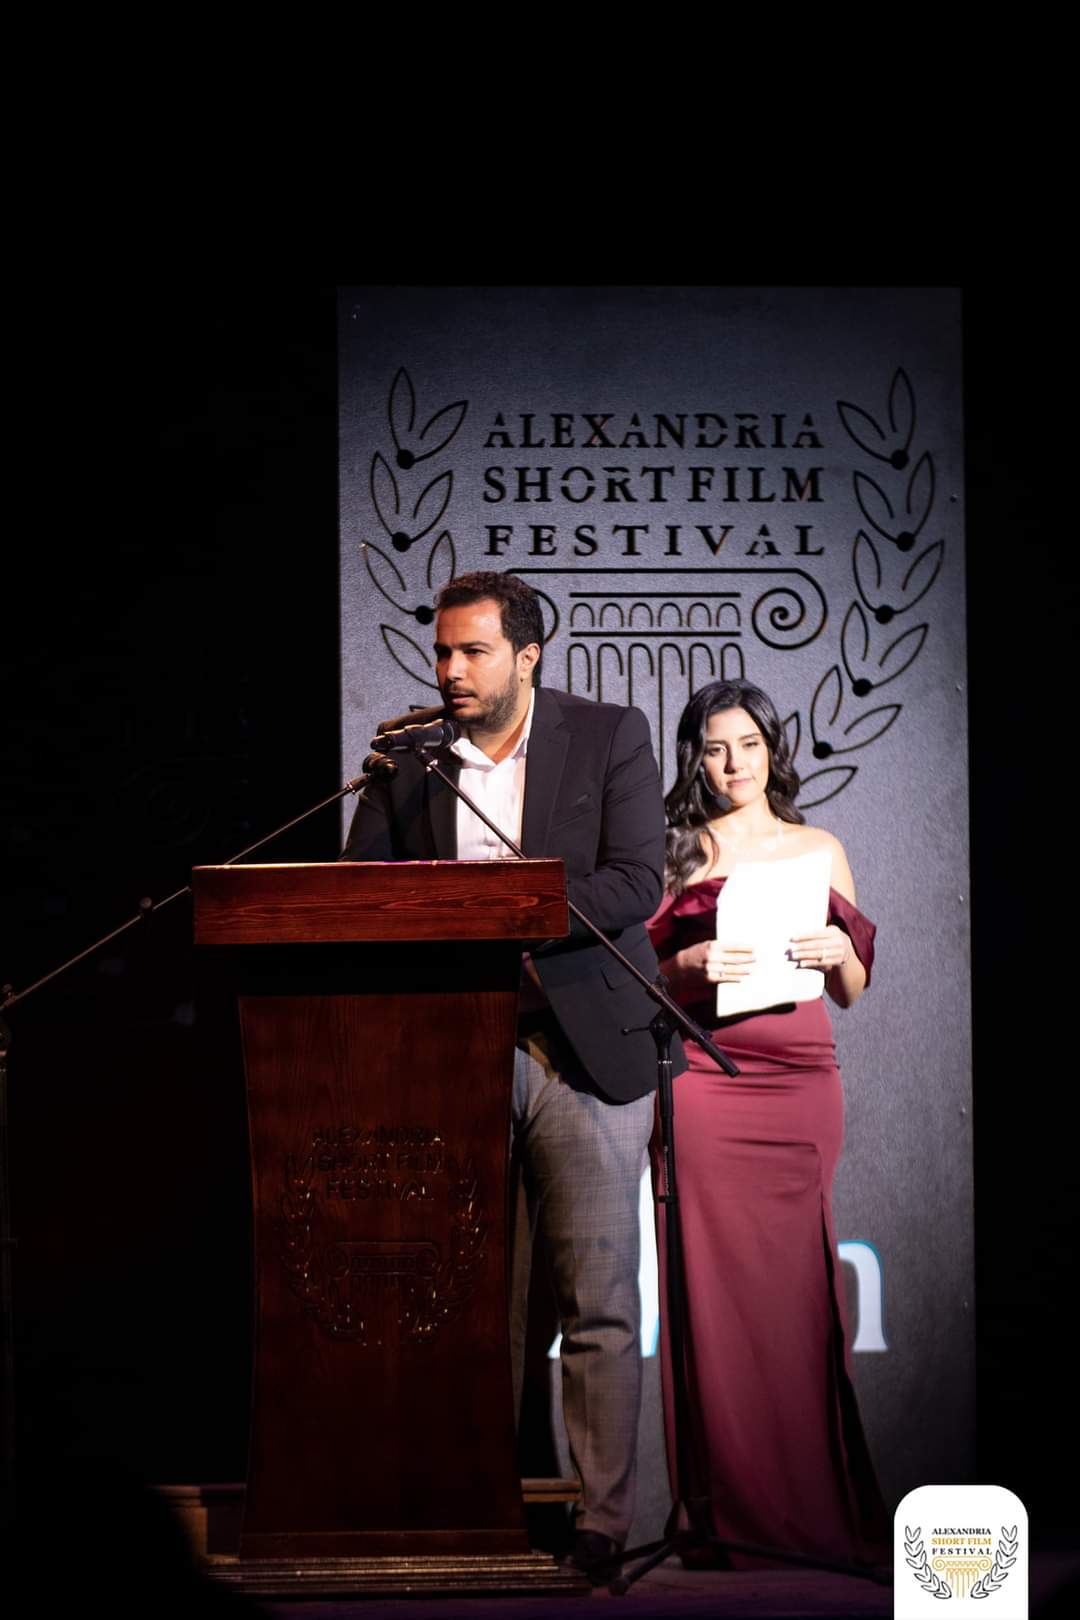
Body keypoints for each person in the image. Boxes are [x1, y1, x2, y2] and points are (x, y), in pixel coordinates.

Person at [342, 571, 682, 1579]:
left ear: (527, 657)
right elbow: (363, 891)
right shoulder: (409, 756)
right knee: (460, 1302)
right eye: (441, 652)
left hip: (583, 1053)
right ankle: (471, 1507)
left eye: (473, 652)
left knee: (599, 1304)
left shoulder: (608, 735)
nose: (450, 670)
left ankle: (602, 1526)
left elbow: (634, 881)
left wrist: (500, 910)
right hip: (455, 1053)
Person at [647, 678, 889, 1569]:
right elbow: (636, 982)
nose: (733, 763)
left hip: (799, 1087)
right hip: (706, 1085)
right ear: (695, 760)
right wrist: (689, 966)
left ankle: (814, 1511)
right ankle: (728, 1518)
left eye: (748, 744)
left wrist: (841, 950)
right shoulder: (674, 855)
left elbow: (851, 990)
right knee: (709, 1302)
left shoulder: (819, 848)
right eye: (715, 748)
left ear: (771, 751)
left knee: (800, 1300)